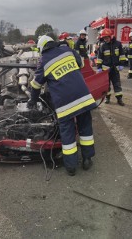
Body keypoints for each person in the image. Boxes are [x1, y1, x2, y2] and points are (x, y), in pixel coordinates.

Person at [27, 35, 96, 176]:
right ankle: (87, 159)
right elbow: (81, 64)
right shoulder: (68, 50)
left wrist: (32, 101)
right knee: (86, 128)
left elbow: (35, 85)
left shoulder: (44, 61)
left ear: (42, 49)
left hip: (65, 104)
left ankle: (71, 167)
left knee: (67, 133)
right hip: (83, 97)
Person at [96, 28, 126, 106]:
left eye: (107, 37)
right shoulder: (103, 46)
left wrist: (122, 64)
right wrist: (99, 67)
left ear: (111, 36)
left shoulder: (118, 44)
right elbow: (99, 58)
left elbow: (122, 55)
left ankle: (119, 99)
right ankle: (107, 98)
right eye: (104, 38)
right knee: (107, 85)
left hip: (115, 69)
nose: (105, 39)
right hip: (106, 70)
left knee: (117, 84)